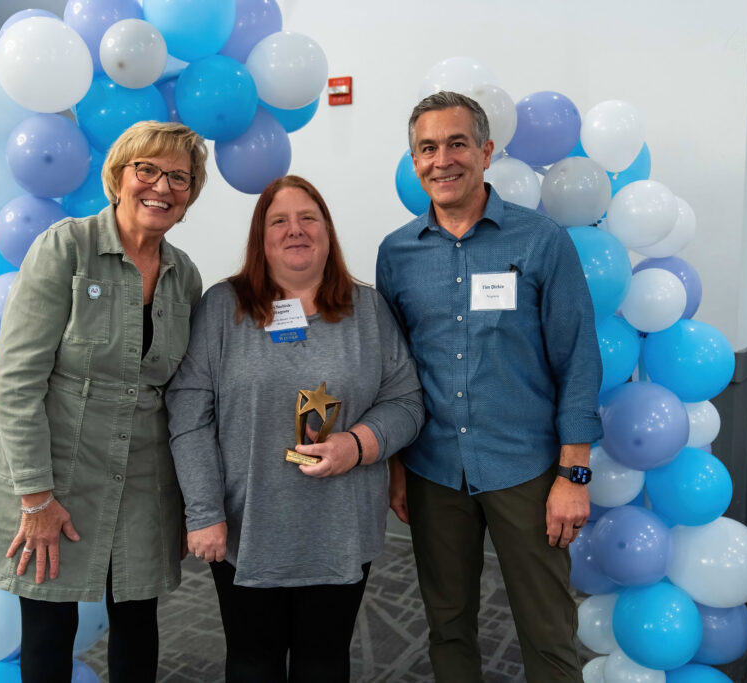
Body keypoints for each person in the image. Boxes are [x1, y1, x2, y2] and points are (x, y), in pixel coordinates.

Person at [0, 121, 208, 682]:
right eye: (147, 170)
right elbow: (17, 382)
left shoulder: (185, 277)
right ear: (119, 177)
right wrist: (36, 498)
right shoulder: (66, 247)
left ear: (190, 195)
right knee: (49, 627)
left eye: (179, 178)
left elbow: (182, 392)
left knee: (138, 620)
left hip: (140, 474)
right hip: (53, 470)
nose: (161, 186)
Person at [376, 91, 603, 682]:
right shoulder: (396, 254)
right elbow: (394, 373)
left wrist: (573, 474)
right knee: (448, 627)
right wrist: (398, 469)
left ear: (485, 150)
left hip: (526, 471)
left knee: (547, 629)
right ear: (413, 159)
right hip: (432, 472)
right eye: (427, 148)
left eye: (456, 143)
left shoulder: (540, 240)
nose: (441, 160)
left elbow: (578, 359)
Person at [167, 175, 424, 683]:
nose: (295, 230)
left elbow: (407, 400)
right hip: (246, 528)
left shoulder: (368, 309)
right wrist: (203, 512)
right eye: (278, 221)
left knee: (324, 661)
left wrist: (358, 444)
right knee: (252, 661)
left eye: (309, 218)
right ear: (260, 240)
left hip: (340, 529)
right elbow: (189, 416)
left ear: (328, 232)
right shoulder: (223, 308)